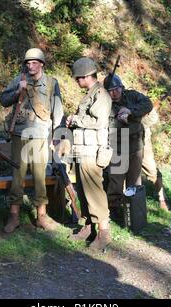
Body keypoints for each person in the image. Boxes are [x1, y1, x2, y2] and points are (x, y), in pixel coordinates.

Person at [0, 48, 63, 233]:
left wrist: (56, 135)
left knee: (39, 177)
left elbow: (57, 110)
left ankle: (41, 216)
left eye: (34, 62)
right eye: (28, 63)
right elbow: (3, 100)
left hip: (41, 134)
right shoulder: (19, 79)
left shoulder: (51, 83)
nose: (31, 66)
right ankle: (14, 216)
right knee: (17, 176)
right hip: (20, 133)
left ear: (42, 64)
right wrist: (17, 91)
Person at [66, 57, 112, 250]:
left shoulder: (101, 95)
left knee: (94, 191)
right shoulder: (90, 94)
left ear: (86, 76)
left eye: (78, 78)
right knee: (84, 192)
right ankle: (88, 226)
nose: (77, 81)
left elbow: (99, 122)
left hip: (92, 150)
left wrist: (75, 120)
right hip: (82, 149)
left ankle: (103, 232)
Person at [103, 74, 152, 222]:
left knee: (134, 182)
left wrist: (129, 111)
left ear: (122, 87)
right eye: (110, 90)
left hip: (136, 144)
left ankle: (135, 213)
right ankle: (115, 212)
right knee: (116, 182)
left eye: (116, 89)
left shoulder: (131, 96)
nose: (114, 93)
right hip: (117, 145)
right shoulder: (105, 104)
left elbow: (147, 104)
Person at [141, 101, 170, 211]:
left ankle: (162, 198)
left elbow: (151, 116)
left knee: (152, 170)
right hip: (124, 140)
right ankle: (124, 204)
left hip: (143, 141)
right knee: (121, 173)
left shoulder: (136, 99)